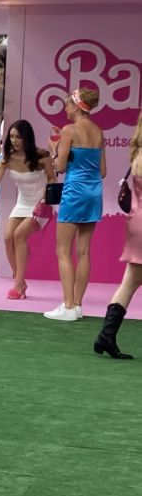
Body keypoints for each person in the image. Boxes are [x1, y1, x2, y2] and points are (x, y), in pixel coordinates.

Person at [0, 119, 54, 300]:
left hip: (41, 205)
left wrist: (45, 200)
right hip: (22, 204)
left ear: (27, 138)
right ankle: (21, 280)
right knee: (7, 237)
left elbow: (51, 179)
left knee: (19, 235)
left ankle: (18, 284)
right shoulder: (6, 159)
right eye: (11, 137)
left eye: (18, 137)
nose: (14, 140)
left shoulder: (42, 156)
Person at [45, 88, 105, 321]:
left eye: (67, 104)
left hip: (74, 192)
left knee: (62, 250)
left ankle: (68, 307)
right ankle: (77, 305)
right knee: (84, 251)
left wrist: (53, 150)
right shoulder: (99, 132)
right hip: (94, 193)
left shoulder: (69, 131)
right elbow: (103, 171)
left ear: (77, 106)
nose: (65, 108)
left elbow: (59, 167)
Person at [94, 110, 142, 359]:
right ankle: (105, 336)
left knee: (130, 281)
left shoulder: (137, 152)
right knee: (130, 281)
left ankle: (106, 336)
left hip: (137, 221)